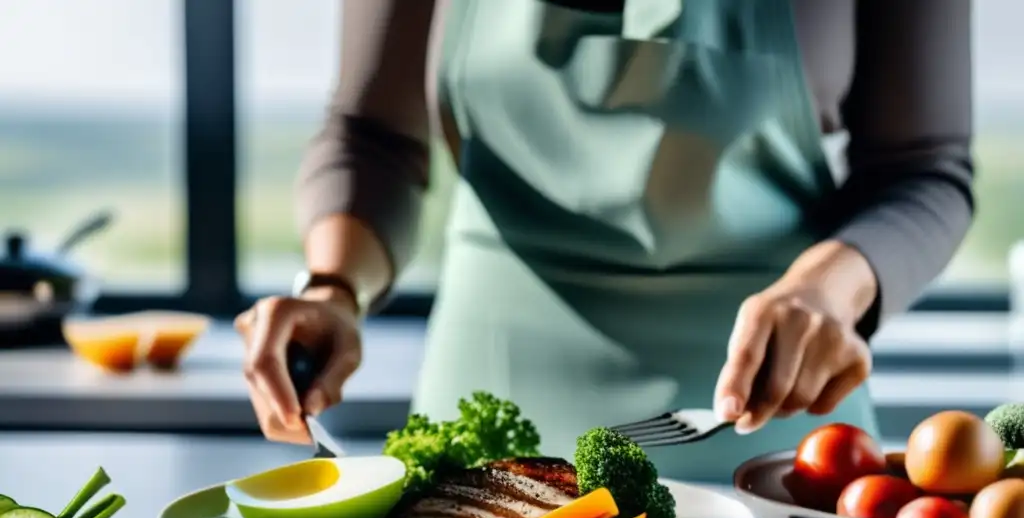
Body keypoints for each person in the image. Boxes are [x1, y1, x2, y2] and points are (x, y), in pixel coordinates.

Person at [235, 0, 974, 483]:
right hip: (485, 420)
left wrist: (827, 290)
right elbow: (373, 136)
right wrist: (333, 288)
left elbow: (923, 169)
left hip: (782, 427)